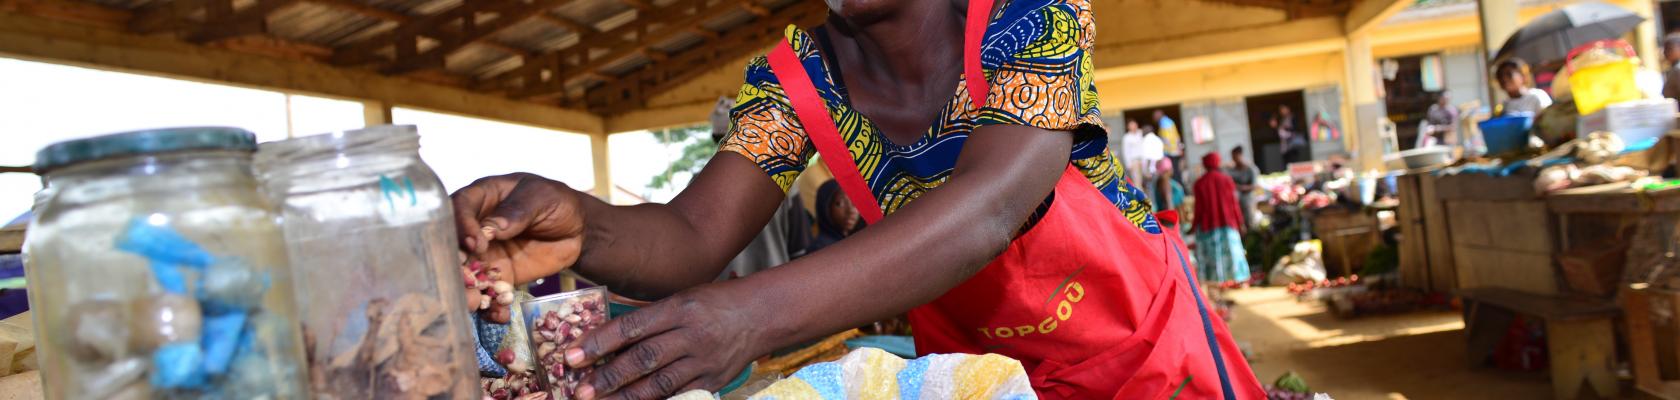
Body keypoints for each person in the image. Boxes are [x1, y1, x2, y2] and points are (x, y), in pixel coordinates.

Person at [448, 0, 1262, 398]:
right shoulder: (798, 84)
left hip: (1145, 348)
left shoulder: (1027, 16)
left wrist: (750, 316)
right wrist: (581, 222)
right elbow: (694, 233)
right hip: (985, 376)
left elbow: (989, 206)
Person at [711, 96, 812, 279]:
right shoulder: (783, 177)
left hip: (721, 293)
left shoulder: (698, 182)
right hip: (774, 289)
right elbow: (799, 248)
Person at [1193, 153, 1250, 285]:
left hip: (1208, 226)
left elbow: (1199, 208)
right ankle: (1238, 280)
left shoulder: (1199, 183)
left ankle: (1215, 281)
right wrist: (1240, 222)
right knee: (1233, 252)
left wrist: (1194, 225)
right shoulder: (1226, 180)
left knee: (1213, 256)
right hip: (1228, 223)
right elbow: (1234, 204)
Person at [805, 180, 859, 253]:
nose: (850, 210)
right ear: (825, 208)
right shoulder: (820, 250)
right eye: (839, 204)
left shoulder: (857, 240)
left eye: (855, 202)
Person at [1226, 146, 1260, 232]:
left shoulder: (1250, 169)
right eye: (1232, 157)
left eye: (1235, 156)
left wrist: (1241, 188)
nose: (1233, 159)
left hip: (1247, 199)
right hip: (1235, 201)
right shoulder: (1232, 169)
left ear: (1240, 155)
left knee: (1249, 221)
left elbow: (1255, 185)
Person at [1154, 110, 1185, 182]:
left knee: (1173, 172)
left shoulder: (1163, 123)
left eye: (1154, 117)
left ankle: (1178, 186)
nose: (1154, 119)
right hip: (1175, 150)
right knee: (1177, 170)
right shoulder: (1169, 121)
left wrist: (1164, 152)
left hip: (1170, 152)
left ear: (1158, 116)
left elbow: (1166, 139)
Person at [1152, 158, 1185, 222]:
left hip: (1166, 218)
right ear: (1167, 169)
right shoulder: (1165, 182)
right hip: (1169, 220)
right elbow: (1168, 202)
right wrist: (1172, 220)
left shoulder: (1163, 181)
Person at [1117, 119, 1146, 186]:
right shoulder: (1127, 137)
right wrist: (1128, 164)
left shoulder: (1140, 133)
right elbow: (1126, 151)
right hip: (1134, 161)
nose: (1133, 126)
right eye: (1131, 125)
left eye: (1134, 124)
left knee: (1145, 181)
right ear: (1128, 127)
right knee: (1137, 181)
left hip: (1143, 160)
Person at [1664, 33, 1680, 102]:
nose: (1665, 52)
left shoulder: (1678, 69)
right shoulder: (1674, 69)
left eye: (1669, 48)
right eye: (1665, 49)